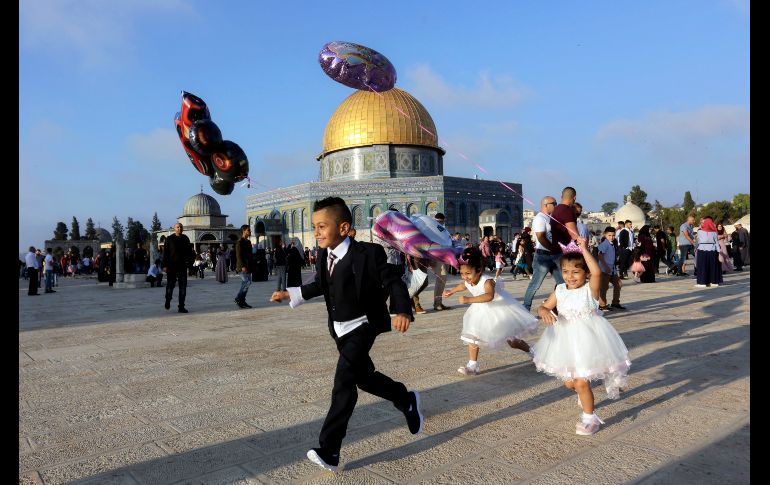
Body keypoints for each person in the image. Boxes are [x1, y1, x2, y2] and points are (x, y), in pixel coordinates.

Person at [270, 197, 423, 473]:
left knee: (343, 382)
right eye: (314, 227)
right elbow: (321, 284)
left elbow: (393, 280)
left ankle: (330, 450)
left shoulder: (369, 254)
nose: (316, 232)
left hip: (363, 325)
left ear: (343, 228)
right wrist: (291, 294)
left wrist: (402, 309)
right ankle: (405, 399)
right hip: (339, 329)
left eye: (321, 226)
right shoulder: (324, 255)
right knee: (363, 378)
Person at [533, 237, 631, 435]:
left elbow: (597, 272)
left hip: (588, 341)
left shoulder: (590, 290)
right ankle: (582, 391)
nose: (570, 276)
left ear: (586, 273)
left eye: (576, 272)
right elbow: (544, 306)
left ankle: (589, 417)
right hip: (565, 342)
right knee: (570, 383)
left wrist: (584, 249)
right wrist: (543, 311)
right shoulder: (560, 290)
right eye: (565, 271)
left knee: (580, 381)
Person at [442, 247, 537, 376]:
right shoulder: (468, 280)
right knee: (473, 336)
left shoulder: (487, 281)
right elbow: (463, 285)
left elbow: (489, 296)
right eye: (462, 273)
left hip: (498, 310)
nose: (465, 277)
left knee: (512, 341)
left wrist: (469, 299)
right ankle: (472, 365)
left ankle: (532, 351)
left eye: (468, 273)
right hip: (480, 311)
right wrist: (451, 291)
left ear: (479, 270)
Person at [523, 196, 565, 311]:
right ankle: (526, 308)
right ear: (546, 205)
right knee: (535, 284)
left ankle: (557, 306)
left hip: (554, 255)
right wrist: (552, 249)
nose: (556, 205)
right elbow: (541, 237)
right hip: (543, 256)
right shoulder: (540, 218)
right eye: (554, 203)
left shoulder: (550, 218)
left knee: (562, 284)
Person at [163, 222, 193, 313]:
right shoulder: (169, 239)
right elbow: (166, 253)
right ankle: (168, 299)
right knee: (170, 285)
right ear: (174, 228)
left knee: (183, 287)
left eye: (181, 227)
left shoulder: (185, 238)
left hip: (182, 266)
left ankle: (181, 306)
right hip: (171, 266)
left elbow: (189, 252)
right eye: (177, 227)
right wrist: (164, 265)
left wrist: (190, 264)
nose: (179, 228)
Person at [597, 227, 625, 311]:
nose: (611, 237)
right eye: (609, 235)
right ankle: (602, 305)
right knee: (604, 287)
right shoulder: (604, 244)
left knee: (618, 284)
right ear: (605, 235)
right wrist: (605, 266)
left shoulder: (612, 244)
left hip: (612, 269)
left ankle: (615, 302)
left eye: (613, 235)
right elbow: (600, 255)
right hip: (605, 270)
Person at [694, 216, 722, 288]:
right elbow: (716, 242)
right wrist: (719, 252)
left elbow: (697, 241)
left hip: (702, 250)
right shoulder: (714, 232)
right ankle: (714, 282)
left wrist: (695, 248)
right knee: (713, 267)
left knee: (702, 266)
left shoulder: (700, 231)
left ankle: (702, 282)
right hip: (713, 250)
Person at [431, 213, 451, 311]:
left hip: (445, 257)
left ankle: (439, 302)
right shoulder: (431, 230)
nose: (440, 223)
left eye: (442, 222)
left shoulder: (444, 230)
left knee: (443, 281)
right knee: (440, 280)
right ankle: (436, 304)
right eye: (438, 221)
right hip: (438, 258)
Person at [235, 224, 253, 308]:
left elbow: (250, 255)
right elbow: (238, 255)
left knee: (246, 283)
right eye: (248, 230)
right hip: (242, 267)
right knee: (247, 282)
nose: (250, 232)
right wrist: (242, 266)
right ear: (244, 231)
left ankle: (242, 301)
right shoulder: (240, 242)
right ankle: (239, 298)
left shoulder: (248, 242)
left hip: (248, 266)